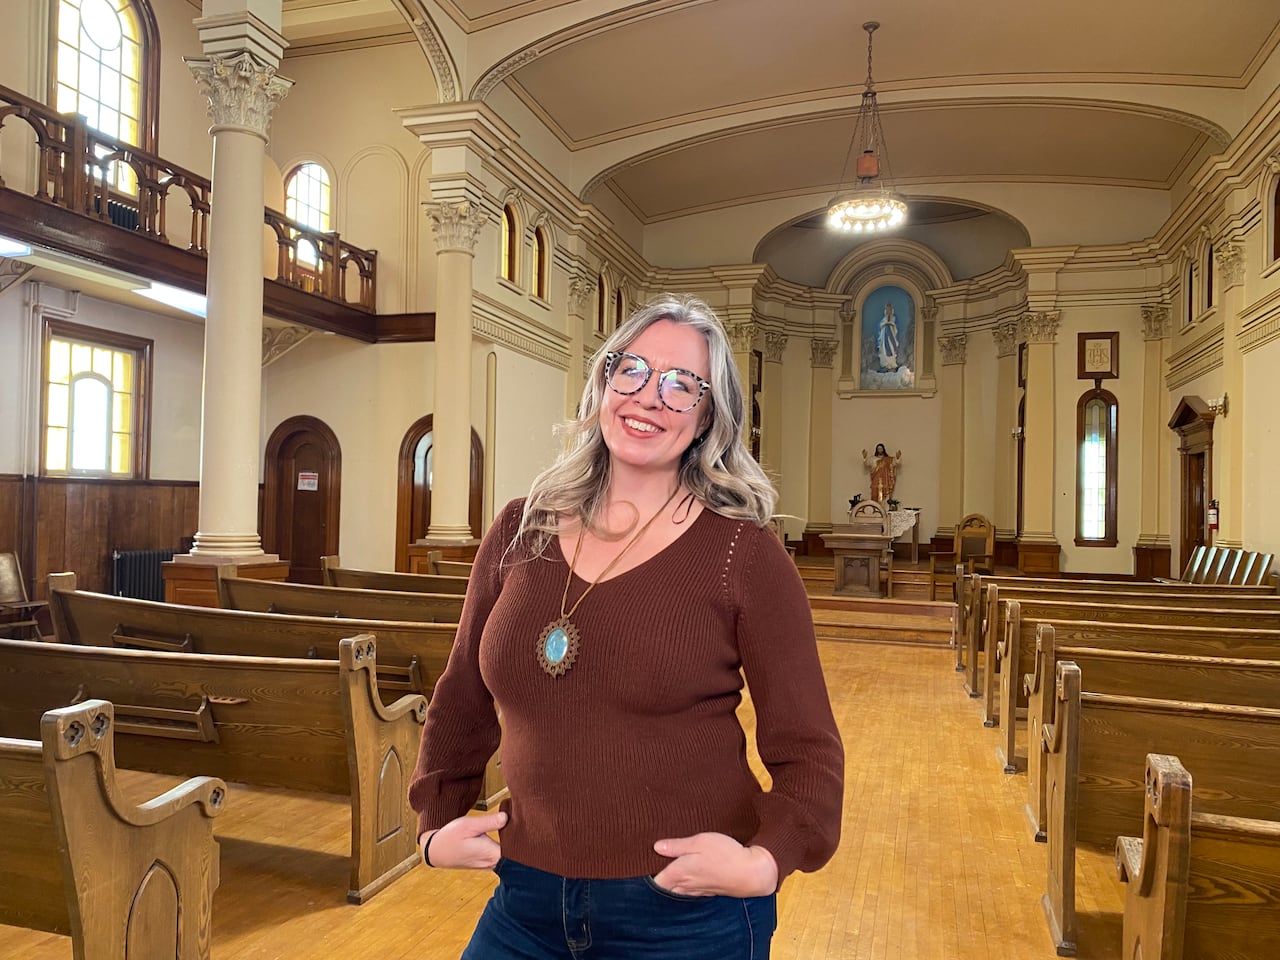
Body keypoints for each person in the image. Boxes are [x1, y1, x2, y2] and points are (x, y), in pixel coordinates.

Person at [409, 295, 845, 959]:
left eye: (681, 385)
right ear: (603, 381)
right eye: (632, 370)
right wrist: (433, 824)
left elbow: (808, 747)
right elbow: (460, 695)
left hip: (683, 910)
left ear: (708, 416)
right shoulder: (521, 528)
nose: (648, 397)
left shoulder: (742, 552)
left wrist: (767, 861)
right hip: (525, 898)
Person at [876, 301, 899, 371]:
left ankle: (892, 364)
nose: (888, 311)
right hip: (885, 336)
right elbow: (881, 326)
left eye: (890, 309)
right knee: (884, 350)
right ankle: (886, 364)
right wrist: (886, 324)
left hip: (891, 336)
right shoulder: (883, 319)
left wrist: (890, 323)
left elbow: (895, 326)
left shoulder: (893, 318)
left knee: (892, 349)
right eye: (887, 309)